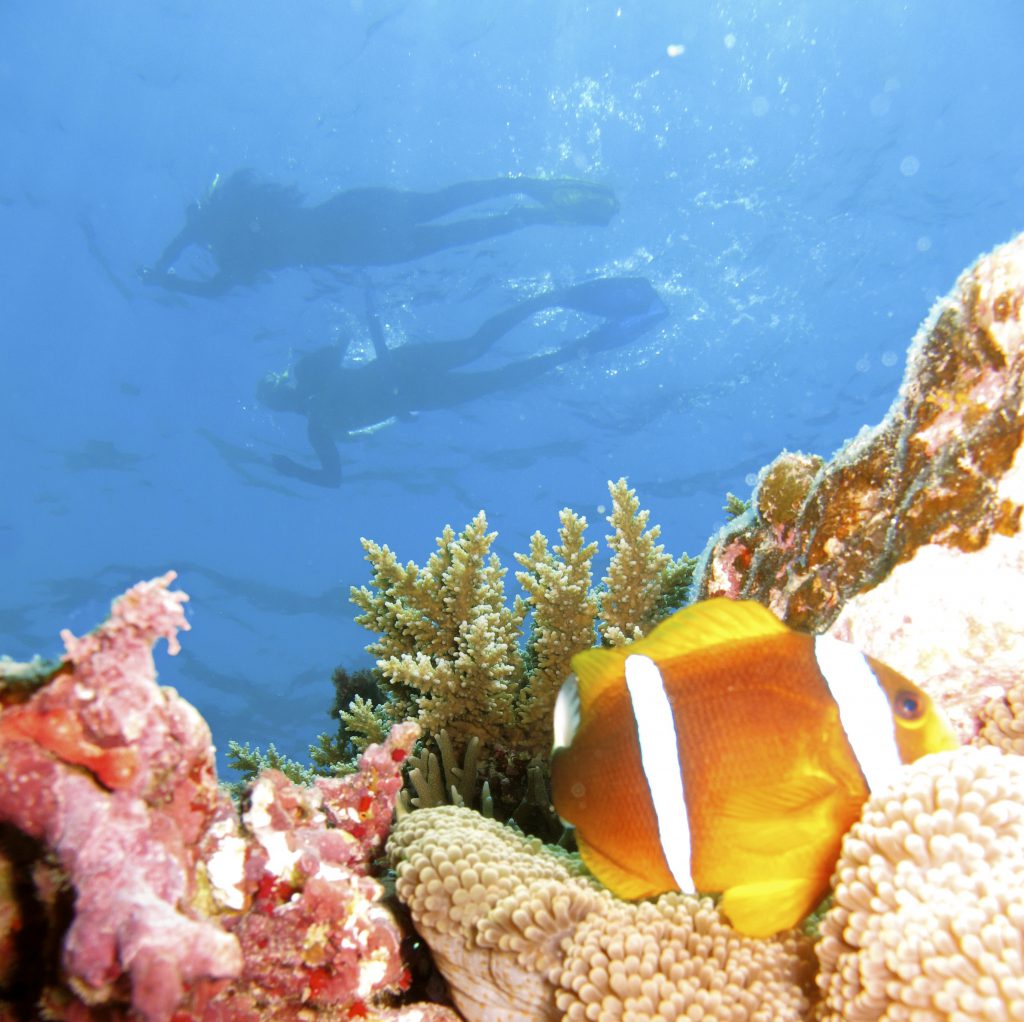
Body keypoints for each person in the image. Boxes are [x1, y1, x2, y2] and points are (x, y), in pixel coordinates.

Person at [256, 276, 668, 487]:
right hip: (414, 387)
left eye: (278, 392)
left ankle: (554, 307)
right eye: (277, 392)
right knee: (492, 370)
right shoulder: (317, 426)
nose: (284, 394)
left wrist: (292, 468)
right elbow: (333, 479)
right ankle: (575, 339)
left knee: (480, 354)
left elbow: (341, 346)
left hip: (406, 373)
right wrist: (292, 468)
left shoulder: (313, 401)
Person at [139, 170, 619, 297]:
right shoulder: (243, 213)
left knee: (446, 232)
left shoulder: (238, 253)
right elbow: (195, 245)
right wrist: (165, 269)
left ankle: (529, 213)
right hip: (355, 214)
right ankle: (527, 192)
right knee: (440, 205)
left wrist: (164, 275)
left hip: (356, 245)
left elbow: (207, 283)